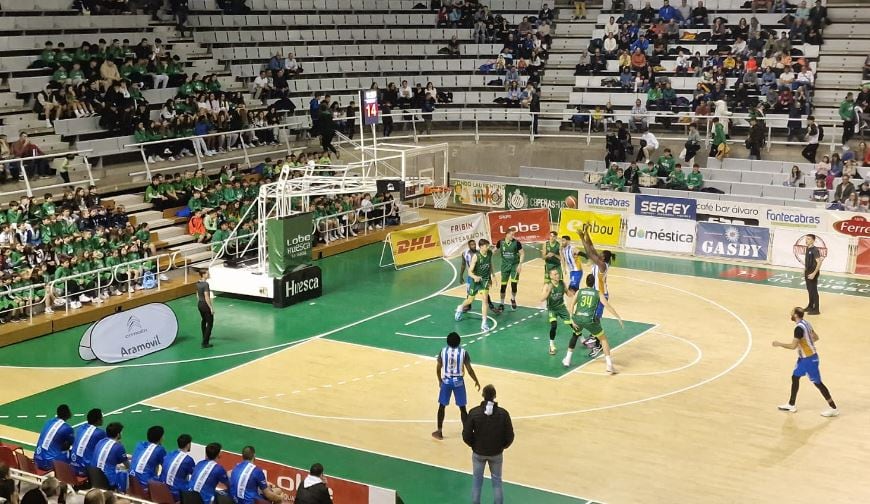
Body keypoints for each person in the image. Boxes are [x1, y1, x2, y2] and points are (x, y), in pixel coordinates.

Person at [773, 307, 839, 417]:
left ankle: (833, 408)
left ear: (795, 316)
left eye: (792, 312)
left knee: (818, 383)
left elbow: (793, 346)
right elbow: (816, 337)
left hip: (809, 360)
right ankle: (791, 404)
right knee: (795, 377)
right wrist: (807, 343)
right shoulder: (806, 323)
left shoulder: (798, 329)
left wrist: (779, 344)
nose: (791, 314)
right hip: (805, 358)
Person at [462, 385, 514, 504]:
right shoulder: (503, 413)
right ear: (495, 396)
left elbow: (466, 435)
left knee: (477, 482)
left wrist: (474, 445)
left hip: (478, 453)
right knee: (497, 483)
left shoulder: (474, 412)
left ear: (483, 395)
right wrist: (502, 446)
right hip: (496, 453)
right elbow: (510, 436)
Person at [563, 274, 624, 370]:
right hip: (589, 320)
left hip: (577, 319)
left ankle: (567, 359)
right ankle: (609, 365)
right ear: (594, 283)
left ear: (586, 282)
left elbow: (571, 304)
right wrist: (618, 317)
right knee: (603, 339)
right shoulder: (598, 293)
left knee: (575, 335)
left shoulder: (579, 291)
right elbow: (607, 306)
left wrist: (571, 318)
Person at [432, 332, 481, 440]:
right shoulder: (463, 352)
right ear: (459, 341)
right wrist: (476, 380)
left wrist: (439, 380)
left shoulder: (443, 351)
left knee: (442, 406)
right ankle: (467, 432)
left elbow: (438, 367)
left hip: (447, 381)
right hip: (459, 381)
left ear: (447, 341)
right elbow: (469, 370)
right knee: (462, 408)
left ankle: (439, 431)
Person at [455, 239, 498, 332]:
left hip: (484, 280)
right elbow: (470, 272)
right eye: (486, 246)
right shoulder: (476, 257)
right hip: (475, 280)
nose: (488, 247)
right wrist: (475, 277)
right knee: (470, 300)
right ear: (481, 247)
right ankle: (460, 308)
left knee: (485, 300)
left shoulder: (489, 253)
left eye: (488, 246)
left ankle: (484, 323)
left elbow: (490, 264)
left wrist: (493, 276)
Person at [541, 267, 572, 356]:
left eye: (558, 273)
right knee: (554, 325)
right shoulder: (547, 285)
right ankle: (551, 345)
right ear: (550, 276)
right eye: (555, 274)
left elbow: (569, 294)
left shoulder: (562, 283)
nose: (557, 275)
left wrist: (574, 291)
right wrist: (549, 291)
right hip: (552, 309)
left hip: (561, 308)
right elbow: (542, 299)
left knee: (572, 325)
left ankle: (582, 340)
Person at [33, 404, 75, 471]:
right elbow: (74, 444)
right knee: (74, 455)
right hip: (50, 463)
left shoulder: (49, 421)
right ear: (67, 414)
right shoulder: (67, 428)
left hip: (37, 459)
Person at [93, 422, 129, 492]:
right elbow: (128, 466)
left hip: (93, 476)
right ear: (118, 434)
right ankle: (122, 493)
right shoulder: (118, 446)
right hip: (108, 482)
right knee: (126, 473)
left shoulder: (101, 441)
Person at [70, 408, 106, 476]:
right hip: (87, 470)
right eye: (102, 418)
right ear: (98, 420)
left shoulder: (81, 428)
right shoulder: (100, 433)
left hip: (73, 467)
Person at [495, 227, 524, 312]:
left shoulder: (517, 243)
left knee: (514, 285)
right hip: (504, 266)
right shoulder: (500, 242)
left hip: (514, 266)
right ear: (506, 234)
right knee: (503, 286)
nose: (513, 236)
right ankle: (502, 304)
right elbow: (494, 250)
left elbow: (522, 254)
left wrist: (520, 264)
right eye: (511, 234)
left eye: (513, 234)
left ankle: (513, 299)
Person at [159, 434, 195, 500]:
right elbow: (195, 475)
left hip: (161, 489)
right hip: (176, 494)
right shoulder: (188, 460)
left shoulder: (169, 454)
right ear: (188, 445)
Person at [803, 234, 822, 315]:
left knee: (814, 291)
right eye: (806, 239)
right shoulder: (808, 248)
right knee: (809, 290)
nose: (806, 240)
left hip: (813, 272)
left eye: (809, 239)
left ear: (813, 240)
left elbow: (819, 262)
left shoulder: (814, 250)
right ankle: (810, 306)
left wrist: (814, 273)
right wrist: (805, 270)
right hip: (808, 271)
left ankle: (816, 309)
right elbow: (808, 261)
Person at [197, 269, 215, 348]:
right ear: (203, 275)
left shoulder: (198, 283)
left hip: (200, 304)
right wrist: (211, 307)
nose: (209, 274)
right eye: (207, 273)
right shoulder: (205, 284)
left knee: (204, 320)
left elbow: (197, 294)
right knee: (210, 323)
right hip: (205, 305)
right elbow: (207, 297)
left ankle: (205, 335)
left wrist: (199, 302)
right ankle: (205, 342)